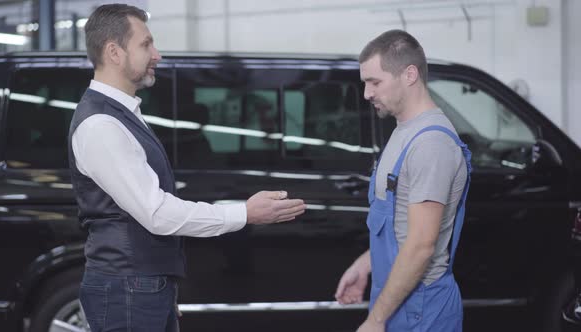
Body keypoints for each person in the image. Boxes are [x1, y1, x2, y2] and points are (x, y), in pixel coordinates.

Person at [68, 4, 306, 332]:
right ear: (114, 52)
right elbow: (157, 213)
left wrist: (162, 290)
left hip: (140, 287)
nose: (158, 54)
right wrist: (245, 214)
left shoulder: (120, 115)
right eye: (146, 44)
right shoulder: (101, 125)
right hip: (129, 288)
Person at [334, 29, 471, 332]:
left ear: (409, 75)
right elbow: (401, 227)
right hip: (399, 297)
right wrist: (365, 264)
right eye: (365, 83)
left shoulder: (431, 143)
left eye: (375, 82)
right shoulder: (404, 131)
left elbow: (421, 245)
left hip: (423, 309)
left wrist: (376, 319)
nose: (367, 93)